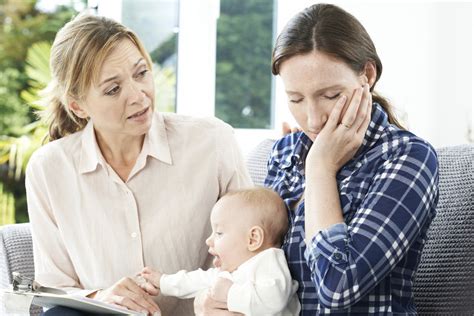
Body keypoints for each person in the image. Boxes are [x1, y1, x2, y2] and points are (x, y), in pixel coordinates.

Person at [25, 12, 252, 316]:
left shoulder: (212, 142)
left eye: (141, 73)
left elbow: (255, 255)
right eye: (113, 89)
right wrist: (100, 297)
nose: (138, 95)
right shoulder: (48, 169)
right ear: (77, 105)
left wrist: (221, 296)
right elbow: (52, 288)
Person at [263, 3, 439, 315]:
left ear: (367, 75)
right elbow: (255, 260)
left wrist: (320, 169)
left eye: (330, 95)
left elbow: (338, 285)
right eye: (296, 99)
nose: (313, 119)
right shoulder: (285, 152)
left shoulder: (408, 157)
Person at [138, 187, 301, 316]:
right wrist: (163, 282)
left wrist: (230, 293)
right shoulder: (230, 272)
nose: (209, 240)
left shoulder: (268, 261)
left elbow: (274, 299)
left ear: (253, 239)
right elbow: (195, 280)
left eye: (219, 233)